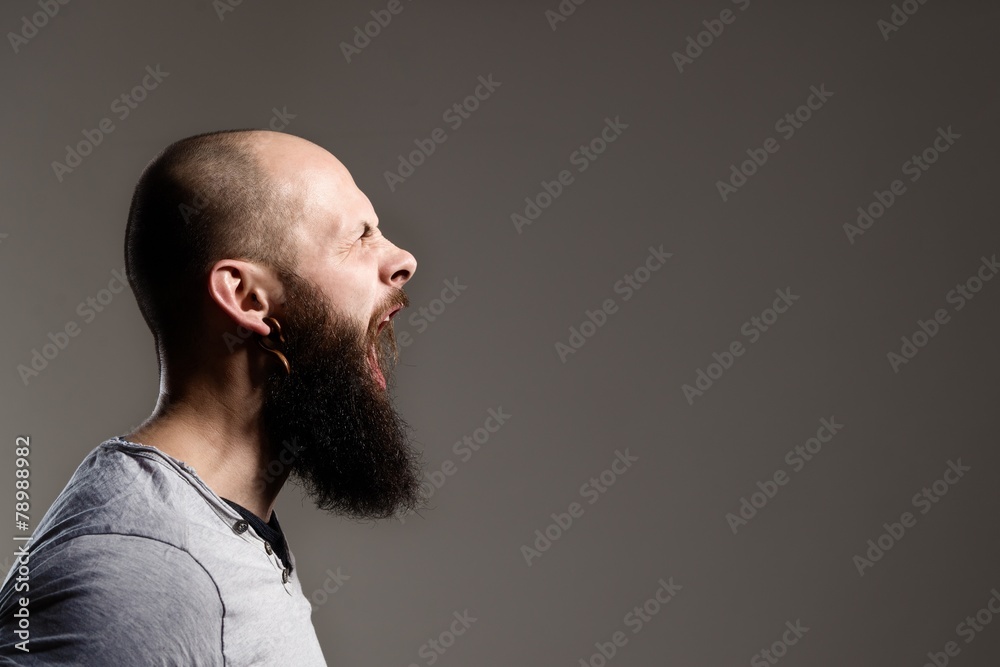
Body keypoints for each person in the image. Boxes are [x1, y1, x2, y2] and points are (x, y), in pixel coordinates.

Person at [0, 129, 426, 665]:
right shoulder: (143, 575)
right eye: (360, 237)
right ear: (247, 298)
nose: (403, 259)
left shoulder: (215, 536)